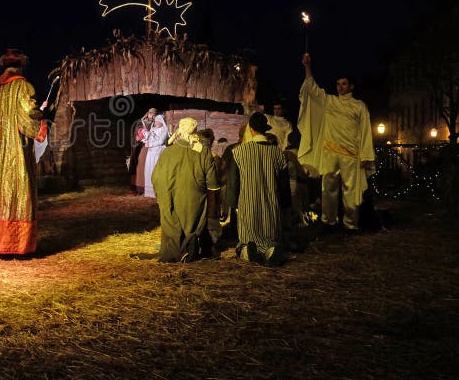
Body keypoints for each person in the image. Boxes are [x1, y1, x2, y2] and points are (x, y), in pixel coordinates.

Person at [0, 49, 47, 256]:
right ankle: (15, 244)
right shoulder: (22, 86)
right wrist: (40, 116)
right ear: (21, 66)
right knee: (16, 190)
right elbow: (28, 115)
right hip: (14, 150)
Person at [298, 53, 375, 232]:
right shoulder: (330, 101)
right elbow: (312, 88)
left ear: (351, 86)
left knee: (350, 190)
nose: (340, 87)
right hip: (330, 152)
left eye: (344, 84)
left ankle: (350, 225)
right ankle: (329, 222)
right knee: (328, 190)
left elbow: (365, 132)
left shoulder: (359, 106)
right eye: (338, 84)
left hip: (351, 154)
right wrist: (307, 66)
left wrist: (366, 155)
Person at [152, 118, 220, 262]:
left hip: (170, 201)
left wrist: (163, 195)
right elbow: (213, 184)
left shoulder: (167, 153)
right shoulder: (204, 153)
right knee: (191, 221)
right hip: (193, 205)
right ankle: (188, 250)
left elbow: (155, 178)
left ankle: (174, 251)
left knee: (172, 221)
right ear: (195, 132)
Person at [226, 113, 291, 266]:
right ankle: (271, 250)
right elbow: (284, 187)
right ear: (265, 130)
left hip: (248, 208)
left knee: (247, 239)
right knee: (270, 239)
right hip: (271, 209)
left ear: (251, 129)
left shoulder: (238, 153)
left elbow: (233, 184)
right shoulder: (278, 154)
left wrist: (232, 206)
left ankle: (247, 251)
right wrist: (285, 206)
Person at [130, 108, 157, 195]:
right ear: (148, 114)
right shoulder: (141, 123)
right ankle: (138, 188)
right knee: (140, 165)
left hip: (152, 147)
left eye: (154, 115)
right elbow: (138, 134)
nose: (153, 116)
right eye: (152, 114)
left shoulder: (155, 123)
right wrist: (143, 135)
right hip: (141, 147)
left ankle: (149, 188)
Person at [143, 114, 169, 198]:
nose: (157, 122)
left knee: (155, 169)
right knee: (149, 169)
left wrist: (150, 144)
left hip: (158, 151)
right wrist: (146, 137)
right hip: (151, 152)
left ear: (162, 122)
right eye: (156, 121)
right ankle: (149, 192)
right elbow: (149, 138)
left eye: (159, 121)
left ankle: (157, 191)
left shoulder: (164, 130)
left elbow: (161, 141)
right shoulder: (153, 129)